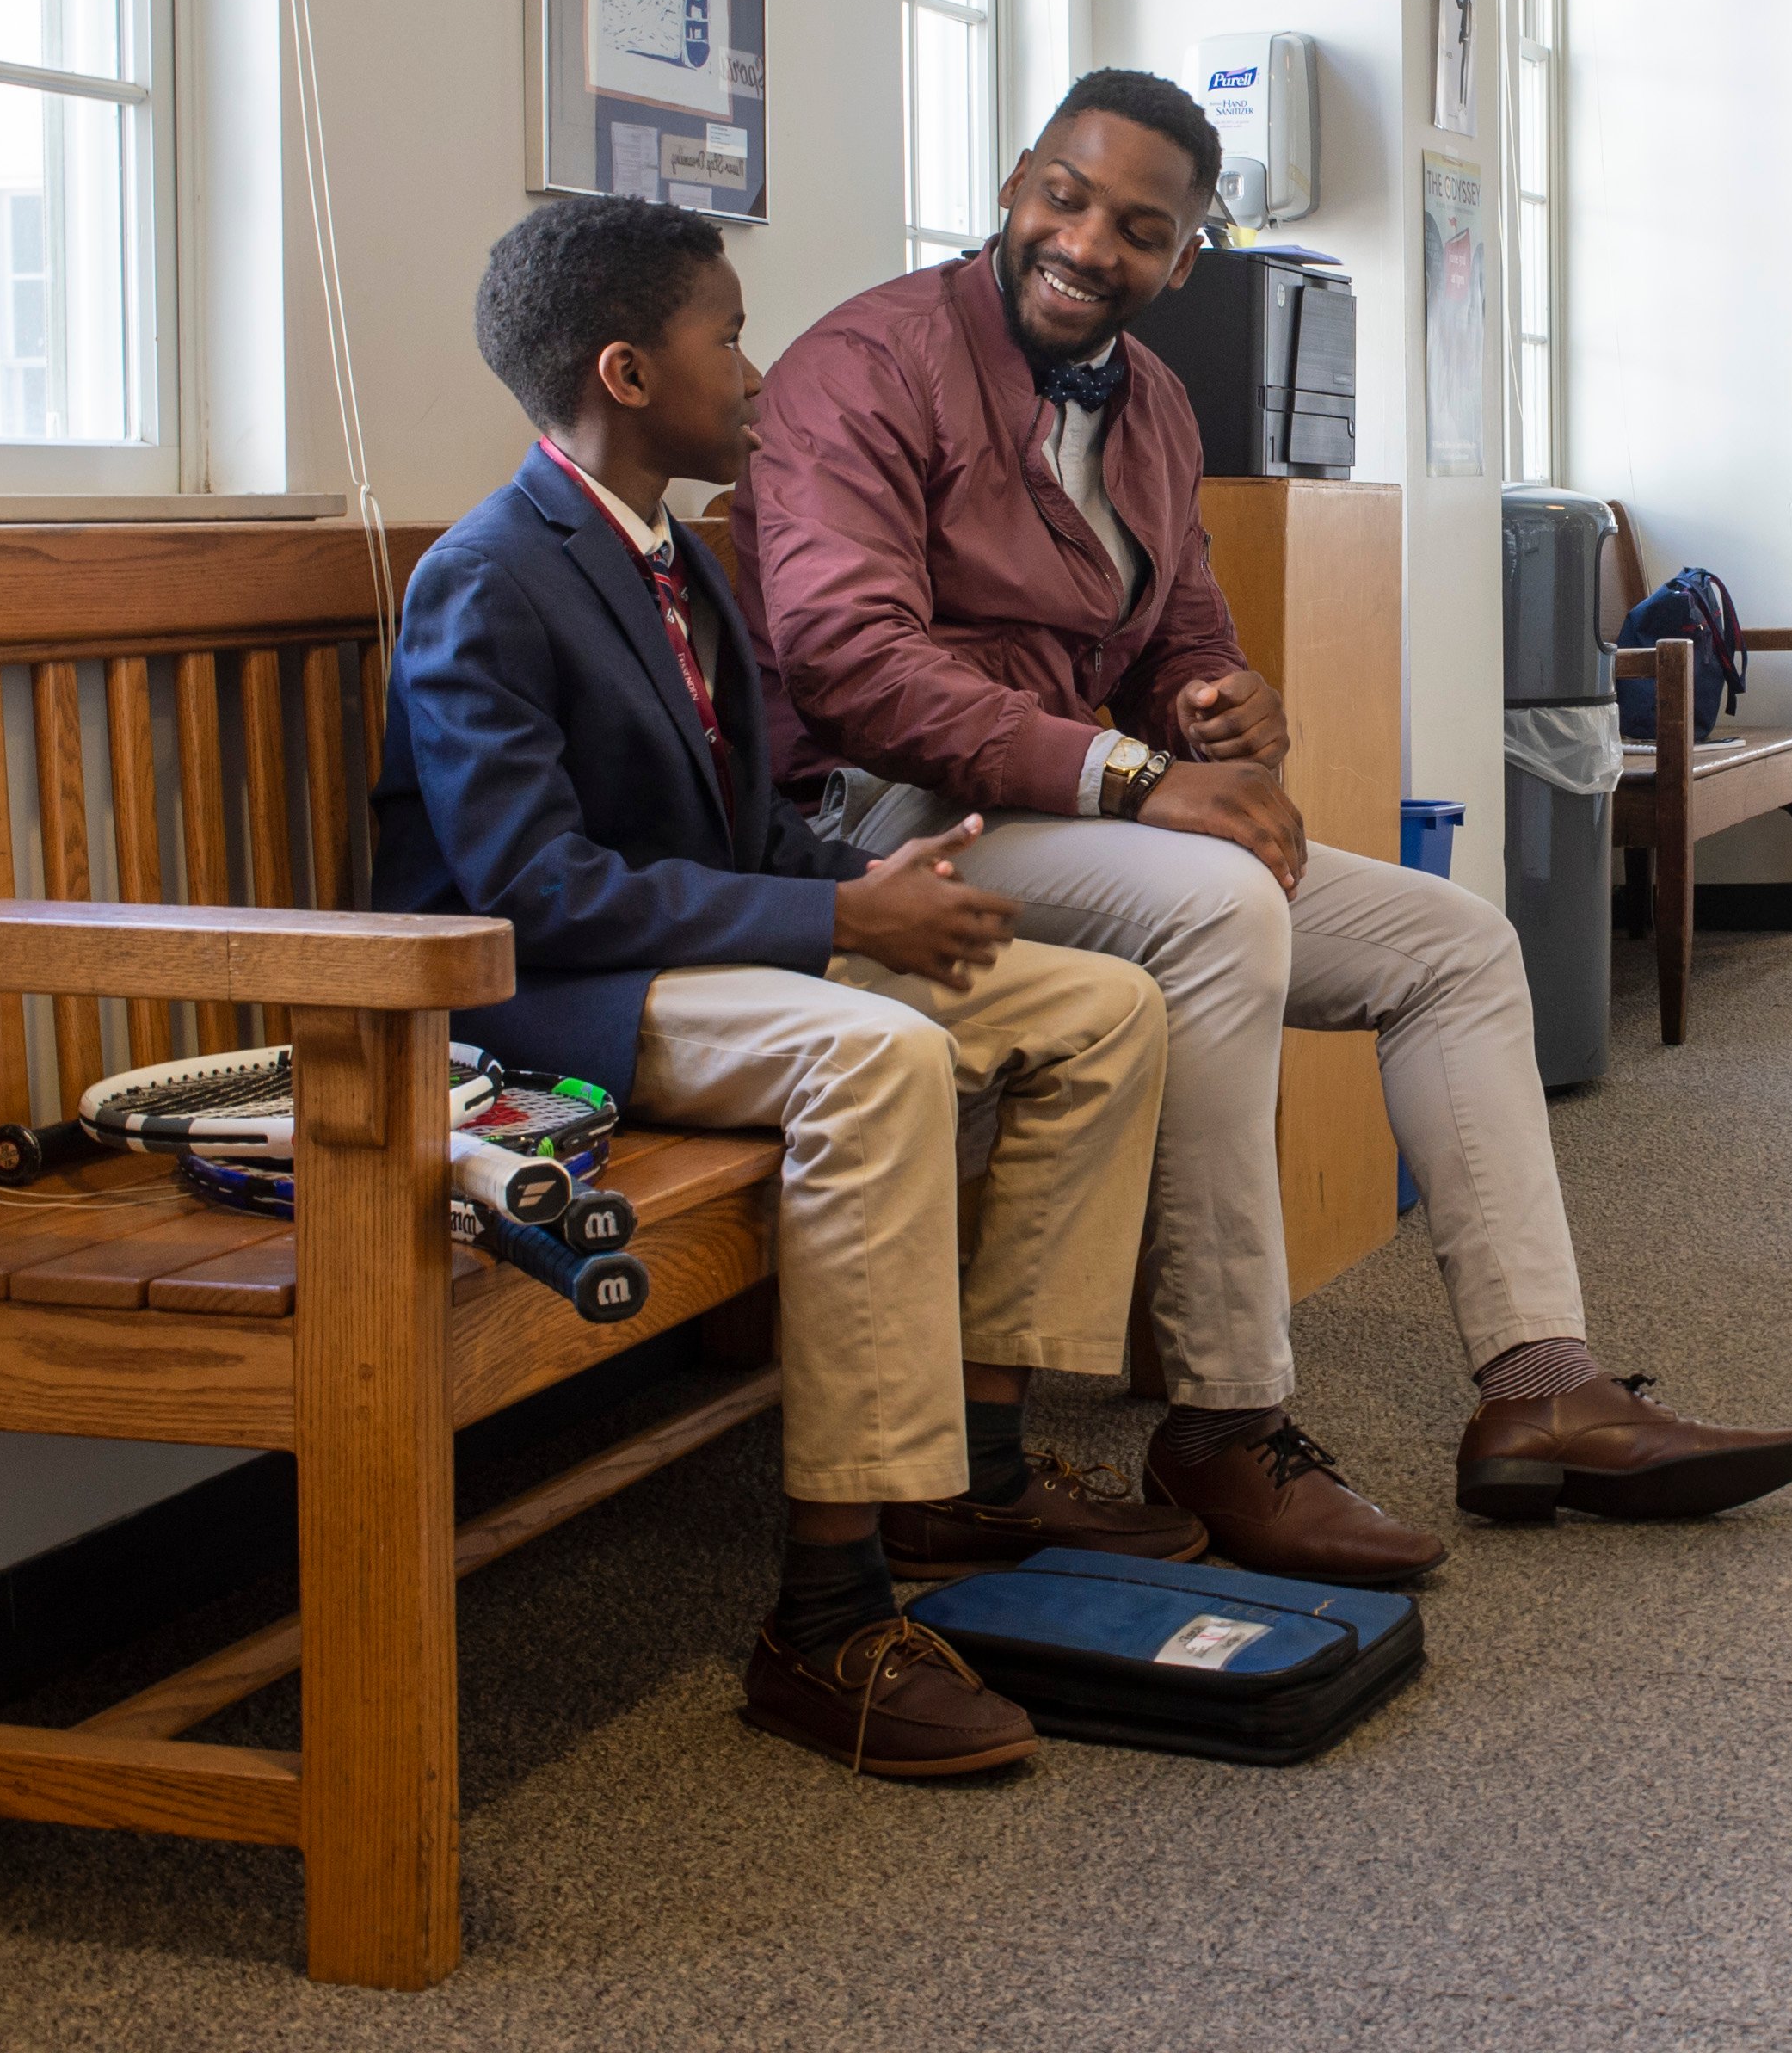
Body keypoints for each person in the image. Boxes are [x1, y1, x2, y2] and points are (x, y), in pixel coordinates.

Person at [729, 69, 1792, 1583]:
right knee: (1217, 905)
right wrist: (1133, 777)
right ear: (1010, 186)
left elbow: (1184, 638)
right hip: (886, 824)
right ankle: (1226, 1418)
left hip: (1080, 821)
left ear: (1186, 261)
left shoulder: (1159, 404)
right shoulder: (866, 364)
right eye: (1064, 197)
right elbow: (849, 666)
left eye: (1138, 228)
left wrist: (1227, 705)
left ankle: (1537, 1391)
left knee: (1456, 943)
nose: (1085, 243)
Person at [375, 192, 1199, 1784]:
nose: (760, 371)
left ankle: (983, 1458)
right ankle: (829, 1608)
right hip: (542, 1000)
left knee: (1098, 1007)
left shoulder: (685, 559)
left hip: (695, 958)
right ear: (626, 373)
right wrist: (839, 933)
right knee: (879, 1056)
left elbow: (748, 828)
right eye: (729, 337)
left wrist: (873, 890)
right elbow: (530, 891)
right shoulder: (490, 578)